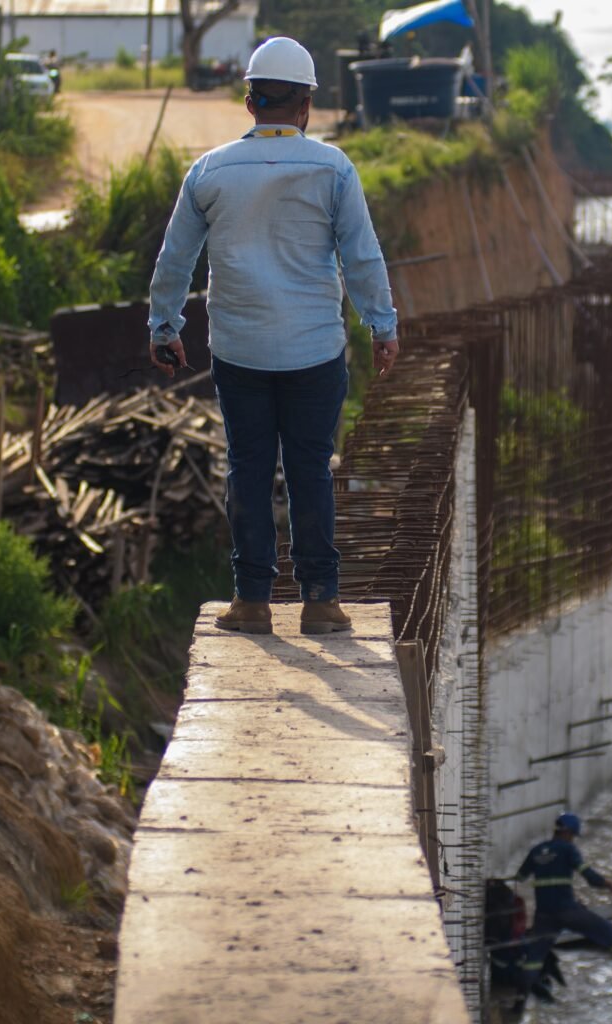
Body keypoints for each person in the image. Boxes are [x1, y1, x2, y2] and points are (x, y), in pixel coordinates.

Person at [146, 36, 398, 638]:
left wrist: (164, 326)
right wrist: (381, 325)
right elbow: (362, 257)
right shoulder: (333, 168)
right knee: (311, 469)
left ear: (251, 101)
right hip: (315, 349)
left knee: (249, 469)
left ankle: (252, 602)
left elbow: (174, 261)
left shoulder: (208, 171)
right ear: (306, 102)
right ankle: (320, 602)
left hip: (239, 350)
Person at [515, 812, 612, 1001]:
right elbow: (590, 877)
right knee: (609, 932)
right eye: (572, 836)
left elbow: (520, 878)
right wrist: (608, 882)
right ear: (569, 833)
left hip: (544, 915)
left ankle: (520, 998)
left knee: (535, 957)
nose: (572, 839)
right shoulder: (568, 849)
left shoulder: (536, 851)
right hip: (568, 911)